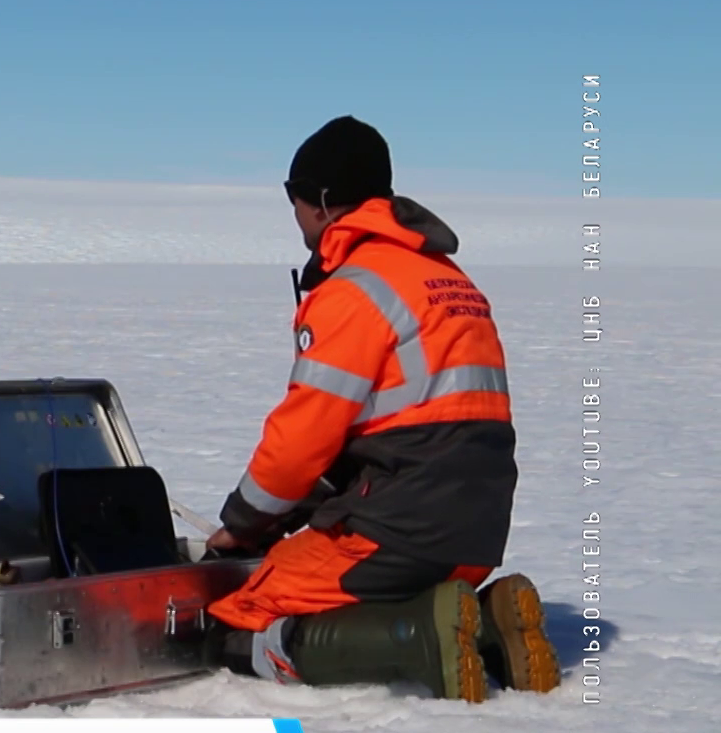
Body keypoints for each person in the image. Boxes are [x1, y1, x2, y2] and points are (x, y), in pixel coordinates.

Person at [199, 116, 559, 703]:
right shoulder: (447, 278)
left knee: (243, 618)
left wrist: (245, 524)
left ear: (319, 201)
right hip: (476, 531)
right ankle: (488, 623)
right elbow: (405, 425)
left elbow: (301, 441)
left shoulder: (355, 290)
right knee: (381, 580)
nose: (296, 221)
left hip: (400, 531)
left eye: (295, 204)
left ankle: (415, 637)